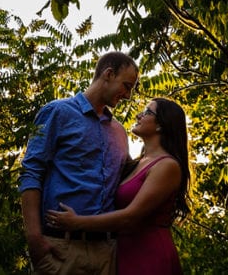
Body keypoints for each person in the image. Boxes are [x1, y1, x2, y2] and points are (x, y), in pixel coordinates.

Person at [18, 51, 139, 275]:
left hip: (107, 252)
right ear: (109, 74)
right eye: (127, 85)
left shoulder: (119, 132)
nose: (128, 95)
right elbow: (31, 173)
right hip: (61, 249)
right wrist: (34, 238)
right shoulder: (57, 112)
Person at [46, 97, 191, 275]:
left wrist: (77, 222)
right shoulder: (138, 163)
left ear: (161, 125)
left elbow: (130, 217)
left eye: (146, 112)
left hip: (149, 255)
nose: (138, 115)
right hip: (124, 252)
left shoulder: (167, 166)